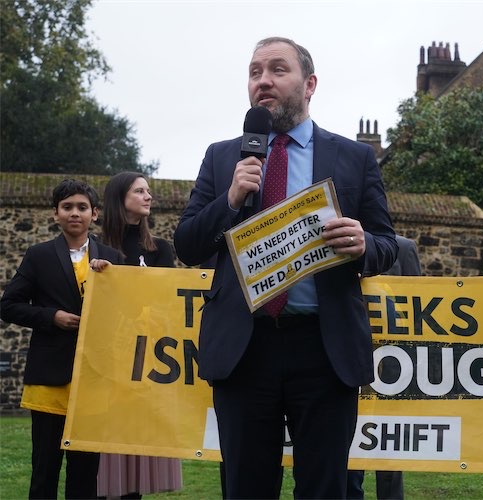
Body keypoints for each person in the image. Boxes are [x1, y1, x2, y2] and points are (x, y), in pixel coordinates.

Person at [172, 36, 398, 498]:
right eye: (255, 72)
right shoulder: (222, 156)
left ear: (309, 83)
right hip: (244, 348)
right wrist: (230, 199)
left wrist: (363, 244)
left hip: (324, 348)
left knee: (324, 488)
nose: (263, 81)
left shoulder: (354, 157)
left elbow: (386, 243)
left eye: (277, 69)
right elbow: (188, 245)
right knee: (246, 487)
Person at [0, 179, 122, 499]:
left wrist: (112, 283)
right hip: (48, 381)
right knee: (45, 468)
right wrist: (50, 316)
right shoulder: (38, 255)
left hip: (95, 379)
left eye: (82, 207)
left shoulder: (112, 258)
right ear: (55, 214)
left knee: (85, 474)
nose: (74, 213)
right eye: (67, 207)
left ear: (94, 214)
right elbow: (8, 306)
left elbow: (127, 313)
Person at [96, 171, 182, 498]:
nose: (148, 196)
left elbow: (169, 301)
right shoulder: (97, 249)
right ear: (120, 199)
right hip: (107, 363)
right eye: (140, 191)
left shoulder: (161, 249)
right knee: (102, 454)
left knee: (135, 448)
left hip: (145, 359)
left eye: (149, 191)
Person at [347, 235, 421, 500]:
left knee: (388, 446)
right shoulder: (334, 245)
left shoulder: (403, 249)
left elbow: (418, 308)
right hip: (347, 363)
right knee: (347, 450)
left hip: (391, 369)